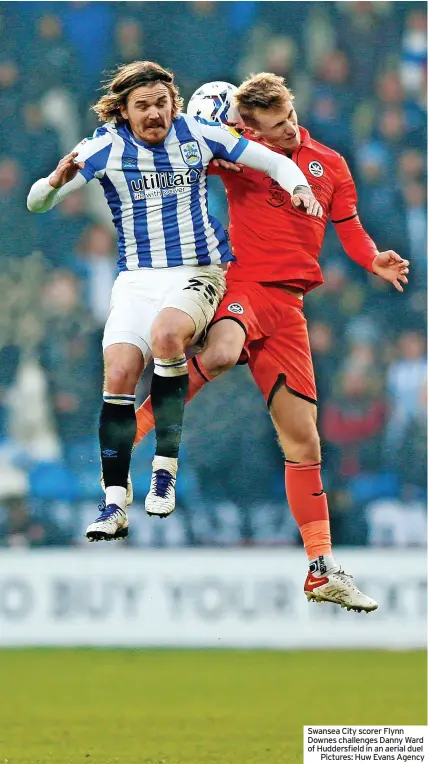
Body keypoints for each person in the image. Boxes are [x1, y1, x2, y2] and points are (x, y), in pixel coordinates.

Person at [132, 74, 410, 613]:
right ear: (248, 126)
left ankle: (320, 568)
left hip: (290, 309)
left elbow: (349, 228)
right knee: (218, 351)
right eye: (273, 127)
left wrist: (372, 257)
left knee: (304, 443)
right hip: (247, 285)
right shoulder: (243, 154)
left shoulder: (330, 162)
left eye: (288, 120)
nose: (286, 132)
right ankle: (134, 428)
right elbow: (184, 157)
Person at [27, 61, 320, 541]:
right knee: (119, 372)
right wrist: (54, 183)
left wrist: (301, 187)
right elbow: (35, 203)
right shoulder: (102, 148)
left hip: (198, 271)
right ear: (123, 111)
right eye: (143, 106)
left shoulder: (199, 135)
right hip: (137, 280)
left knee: (167, 336)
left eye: (162, 103)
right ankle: (114, 502)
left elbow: (275, 162)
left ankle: (164, 468)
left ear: (173, 105)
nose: (154, 114)